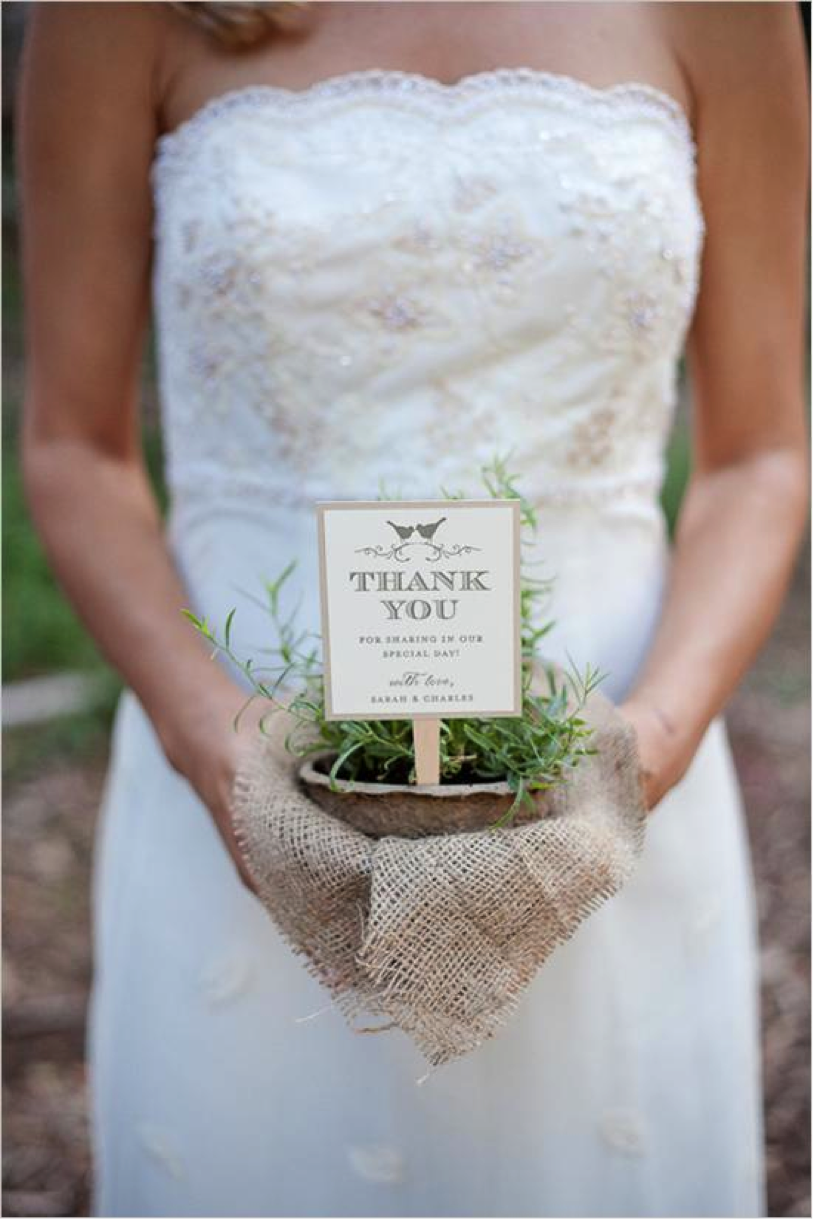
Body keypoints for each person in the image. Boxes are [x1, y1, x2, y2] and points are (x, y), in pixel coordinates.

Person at [18, 2, 808, 1215]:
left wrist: (642, 751)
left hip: (611, 777)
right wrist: (215, 750)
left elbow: (760, 455)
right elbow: (76, 447)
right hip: (232, 773)